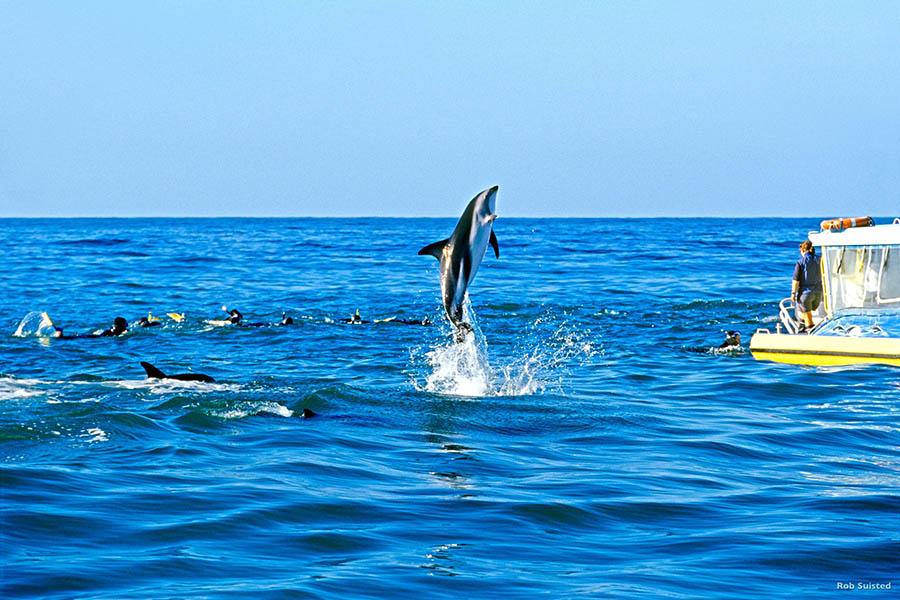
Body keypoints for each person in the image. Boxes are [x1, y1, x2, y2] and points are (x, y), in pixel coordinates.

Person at [792, 240, 822, 333]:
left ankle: (809, 330)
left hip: (806, 293)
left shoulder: (800, 262)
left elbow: (796, 280)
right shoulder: (820, 259)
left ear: (802, 250)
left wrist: (793, 293)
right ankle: (805, 325)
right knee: (811, 309)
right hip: (818, 292)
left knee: (807, 315)